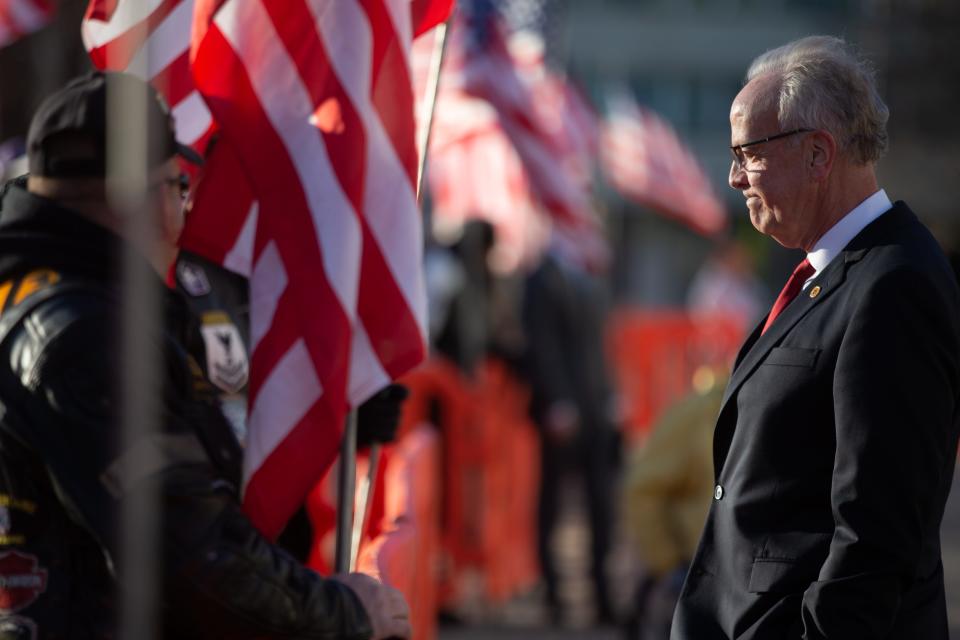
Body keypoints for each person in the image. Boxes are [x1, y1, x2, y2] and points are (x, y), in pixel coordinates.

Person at [0, 71, 410, 639]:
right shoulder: (84, 339)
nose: (184, 212)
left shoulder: (63, 303)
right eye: (177, 186)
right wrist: (341, 613)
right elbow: (189, 552)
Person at [670, 36, 960, 639]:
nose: (732, 177)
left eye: (746, 153)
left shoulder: (894, 282)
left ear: (817, 154)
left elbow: (878, 533)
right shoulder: (831, 273)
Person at [522, 239, 617, 626]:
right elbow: (540, 345)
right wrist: (557, 400)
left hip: (595, 410)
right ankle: (554, 594)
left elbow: (599, 347)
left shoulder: (590, 272)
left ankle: (602, 596)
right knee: (554, 506)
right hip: (561, 412)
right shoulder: (539, 278)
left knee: (602, 506)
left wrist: (611, 396)